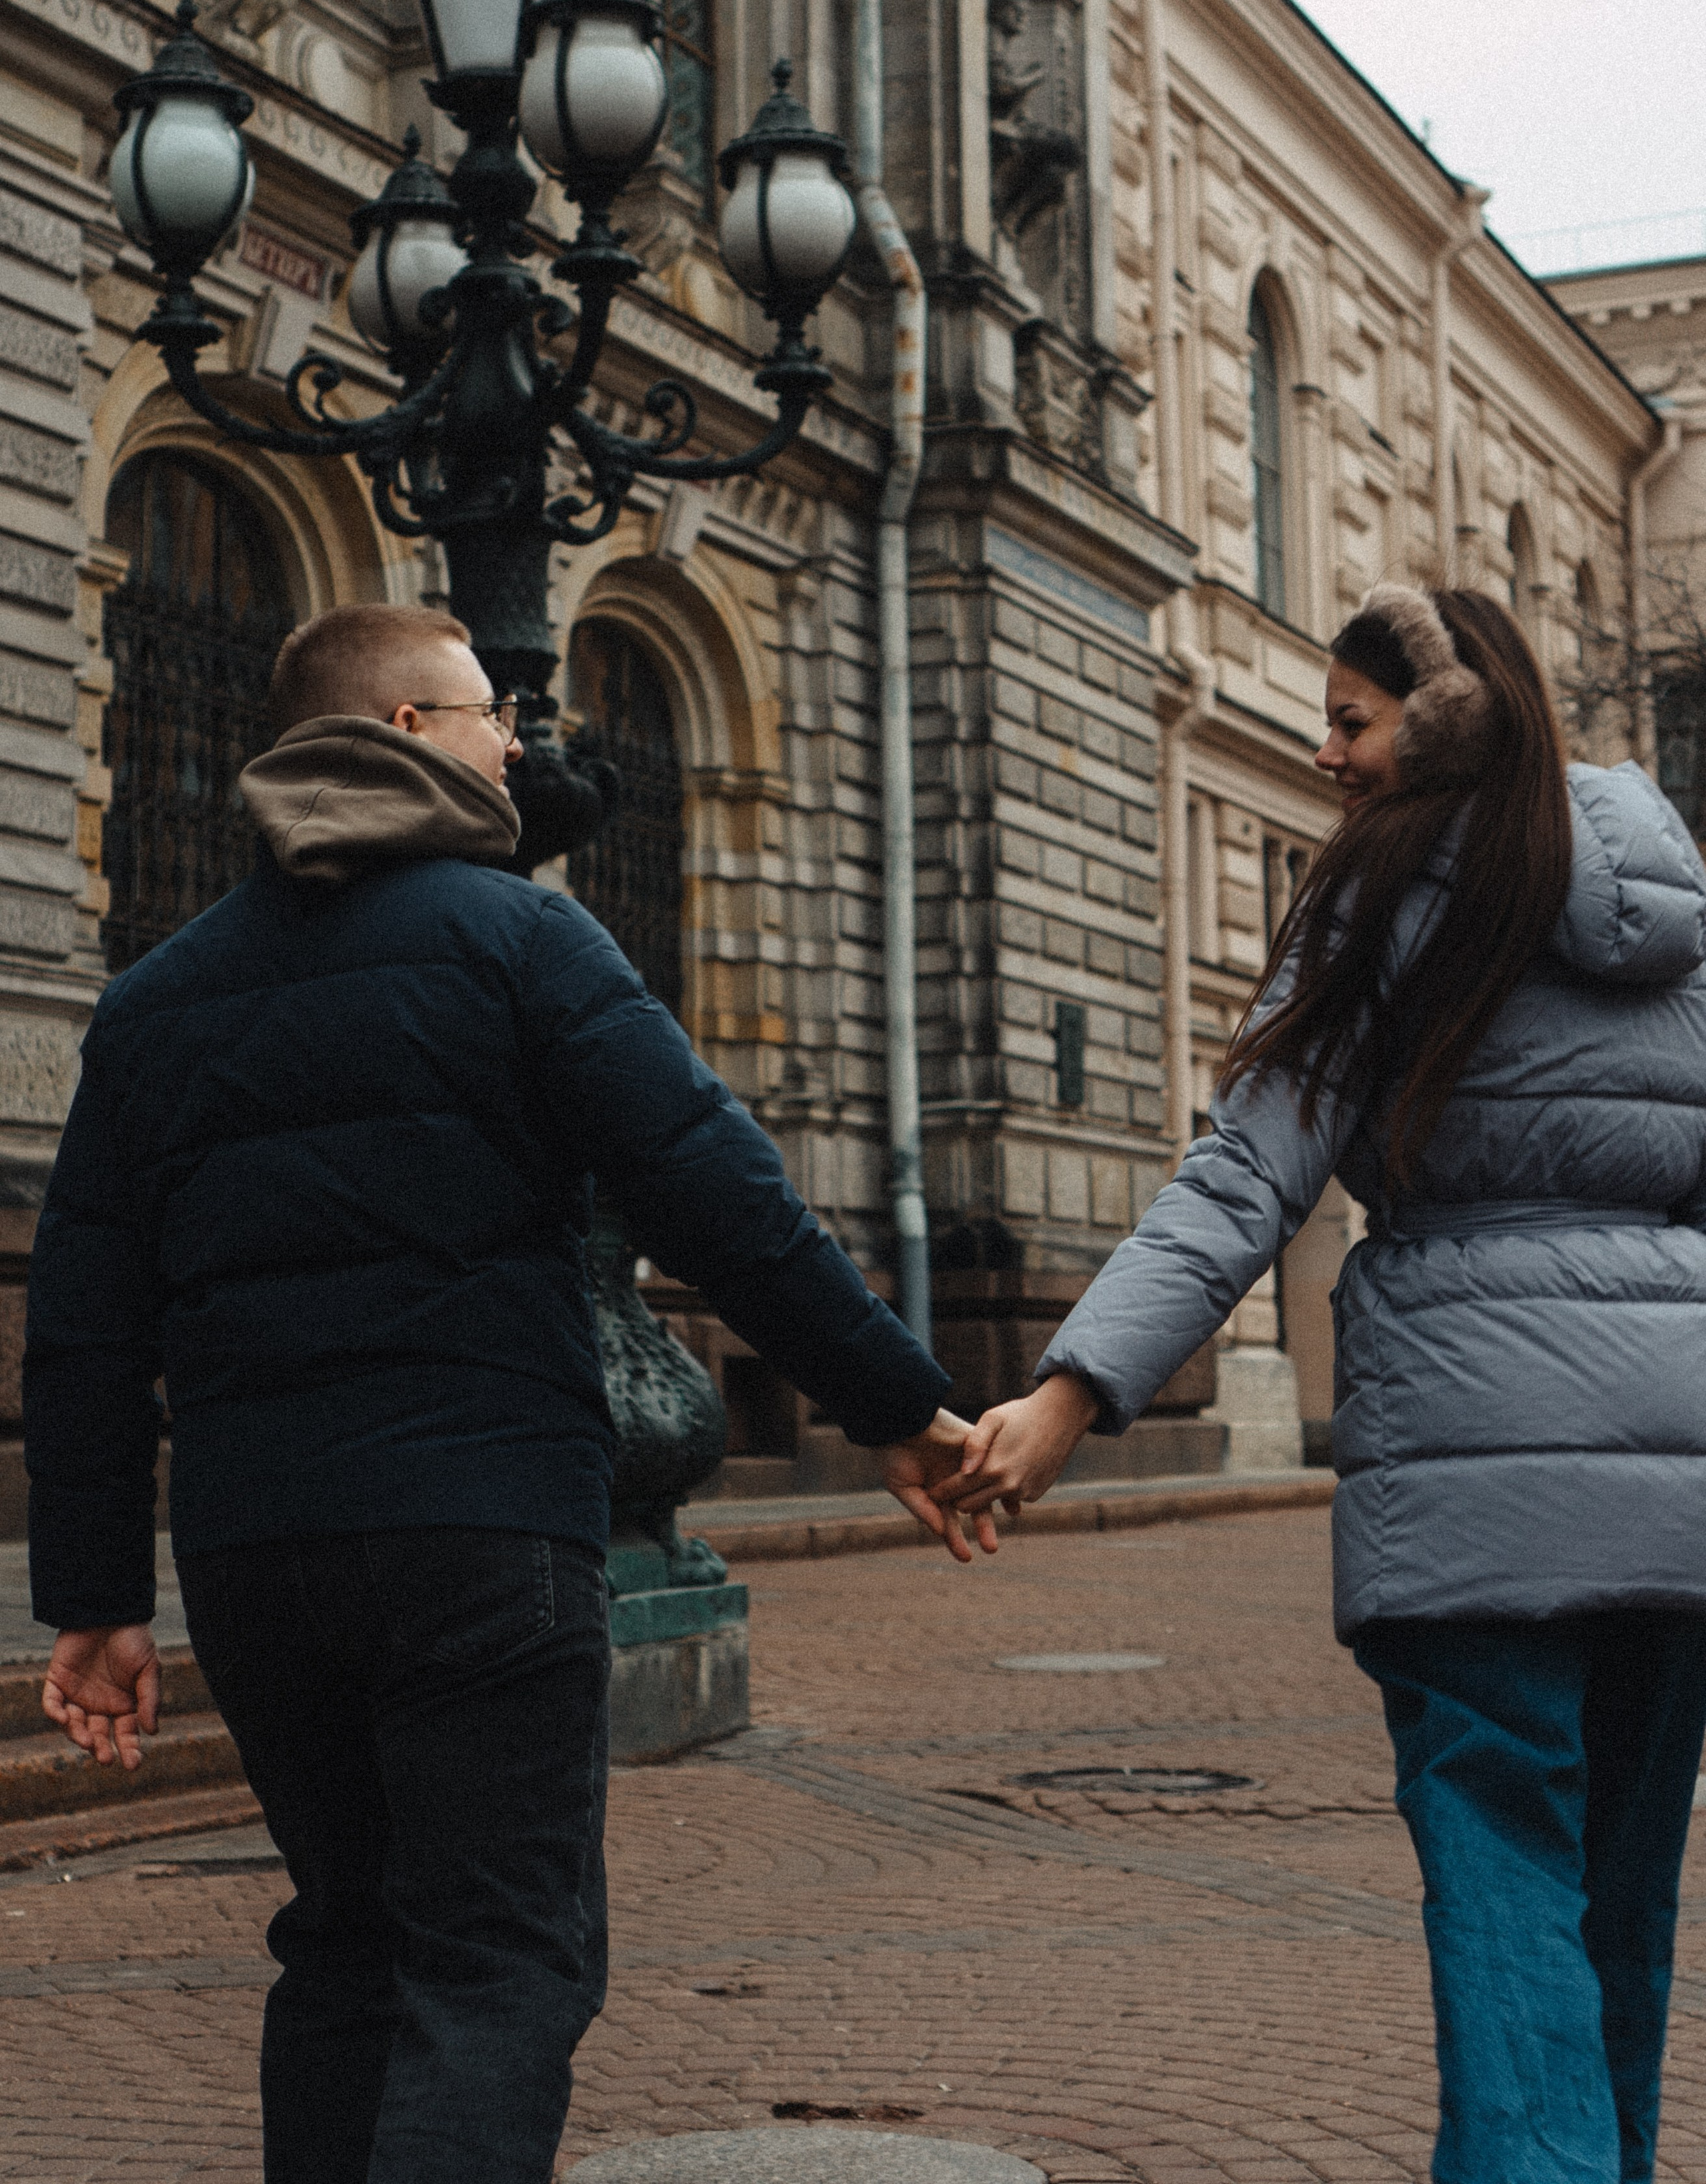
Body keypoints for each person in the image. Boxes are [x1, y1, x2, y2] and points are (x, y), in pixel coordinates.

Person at [25, 602, 988, 2184]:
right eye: (490, 714)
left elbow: (82, 1328)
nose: (516, 744)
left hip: (256, 1551)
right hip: (481, 1531)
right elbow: (719, 1197)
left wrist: (94, 1597)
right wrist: (895, 1406)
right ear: (404, 730)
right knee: (495, 1958)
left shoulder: (152, 1003)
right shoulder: (524, 940)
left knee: (343, 1941)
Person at [939, 582, 1706, 2184]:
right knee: (1618, 1910)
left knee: (1501, 1898)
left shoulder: (1378, 890)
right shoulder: (1674, 917)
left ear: (1441, 716)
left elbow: (1245, 1175)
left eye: (1348, 719)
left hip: (1470, 1475)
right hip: (1673, 1492)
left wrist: (1069, 1393)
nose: (1324, 752)